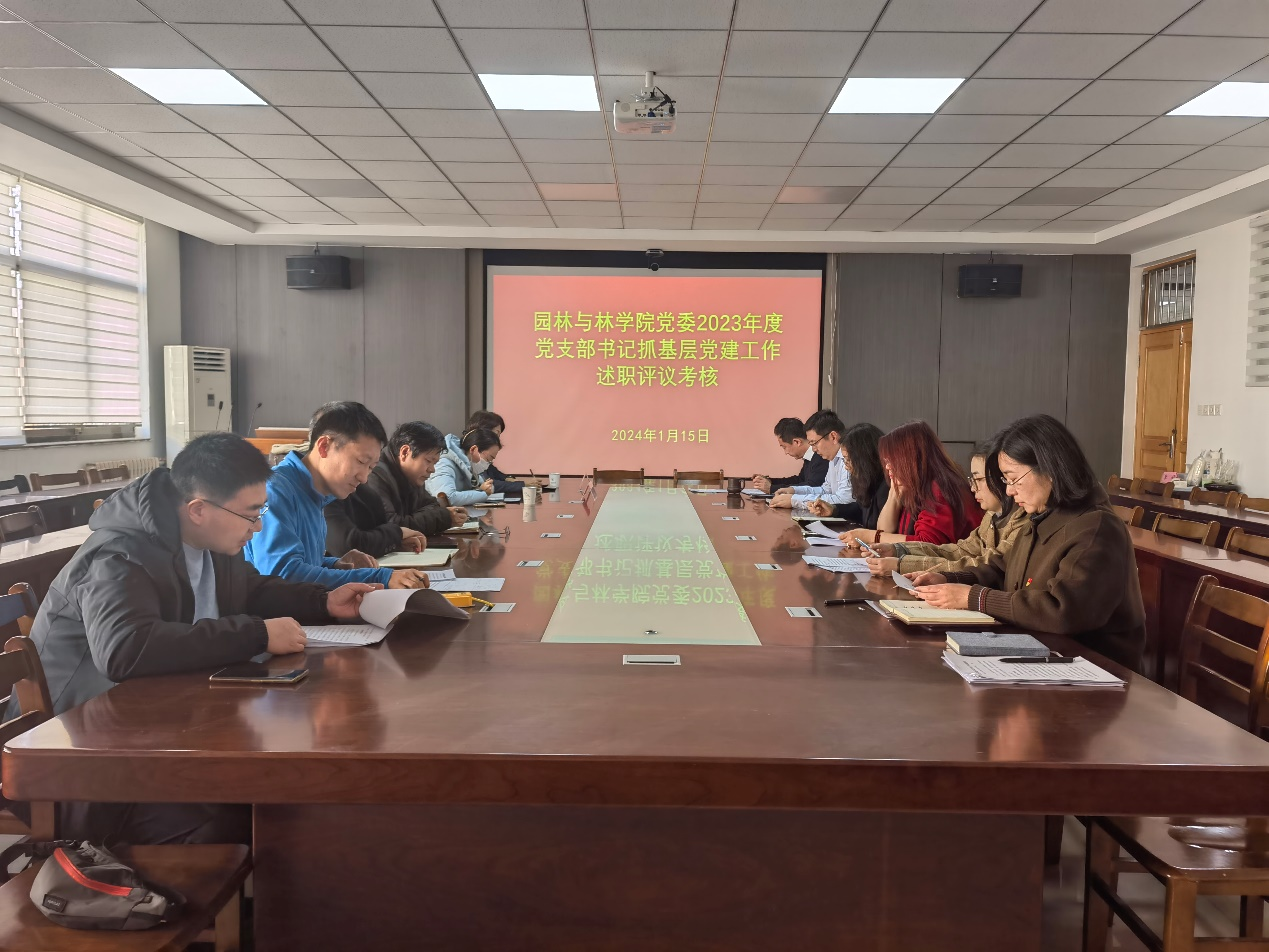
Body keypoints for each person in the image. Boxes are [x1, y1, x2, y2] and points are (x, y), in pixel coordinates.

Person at [8, 432, 378, 844]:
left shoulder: (209, 539)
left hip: (152, 730)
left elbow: (251, 590)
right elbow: (124, 649)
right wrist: (255, 634)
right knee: (243, 813)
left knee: (282, 790)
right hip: (75, 760)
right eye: (251, 514)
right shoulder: (119, 554)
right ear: (199, 509)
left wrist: (325, 602)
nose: (257, 527)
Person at [911, 414, 1146, 672]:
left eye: (1013, 478)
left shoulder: (1097, 528)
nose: (1009, 491)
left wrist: (973, 597)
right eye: (1006, 481)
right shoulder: (1043, 515)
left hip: (1091, 669)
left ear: (1050, 469)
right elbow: (1002, 570)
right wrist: (949, 580)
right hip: (1040, 653)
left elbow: (1062, 611)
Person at [245, 401, 428, 590]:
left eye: (371, 467)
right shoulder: (275, 490)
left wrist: (335, 564)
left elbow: (303, 562)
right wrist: (382, 577)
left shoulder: (315, 493)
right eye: (361, 461)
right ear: (324, 446)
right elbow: (281, 575)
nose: (364, 478)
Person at [862, 445, 1025, 575]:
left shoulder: (938, 489)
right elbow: (961, 550)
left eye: (979, 479)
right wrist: (897, 549)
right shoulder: (992, 515)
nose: (973, 488)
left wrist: (902, 564)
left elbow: (983, 564)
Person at [839, 421, 982, 547]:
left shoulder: (939, 487)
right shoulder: (913, 485)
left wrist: (870, 536)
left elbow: (926, 544)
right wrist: (894, 495)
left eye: (891, 460)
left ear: (910, 458)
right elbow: (884, 530)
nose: (887, 467)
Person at [365, 420, 469, 536]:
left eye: (434, 463)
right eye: (428, 461)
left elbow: (433, 505)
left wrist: (432, 516)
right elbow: (392, 526)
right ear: (405, 452)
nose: (432, 469)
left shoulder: (412, 477)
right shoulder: (375, 475)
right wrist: (443, 517)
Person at [806, 422, 889, 528]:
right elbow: (861, 509)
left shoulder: (886, 487)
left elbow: (879, 528)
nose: (846, 466)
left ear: (865, 458)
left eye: (848, 460)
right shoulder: (867, 482)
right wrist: (834, 509)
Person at [769, 409, 854, 510]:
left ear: (833, 437)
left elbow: (844, 500)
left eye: (814, 443)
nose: (813, 449)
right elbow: (825, 490)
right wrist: (793, 490)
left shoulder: (850, 459)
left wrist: (795, 500)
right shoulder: (833, 458)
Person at [465, 410, 542, 495]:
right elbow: (488, 483)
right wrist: (523, 484)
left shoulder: (481, 453)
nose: (498, 438)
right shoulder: (471, 454)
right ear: (483, 431)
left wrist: (508, 478)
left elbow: (494, 472)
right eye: (496, 433)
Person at [750, 417, 829, 494]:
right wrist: (771, 481)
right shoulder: (810, 457)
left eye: (784, 447)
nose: (786, 452)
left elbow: (812, 487)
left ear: (797, 442)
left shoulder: (821, 456)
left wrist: (772, 488)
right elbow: (800, 480)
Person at [427, 426, 502, 507]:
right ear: (473, 450)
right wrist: (483, 493)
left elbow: (477, 487)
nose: (488, 464)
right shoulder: (444, 464)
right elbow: (448, 498)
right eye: (488, 459)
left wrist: (483, 489)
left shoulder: (469, 466)